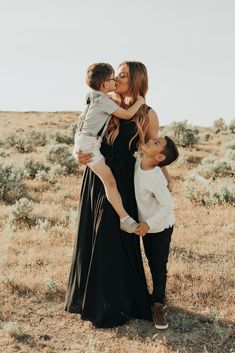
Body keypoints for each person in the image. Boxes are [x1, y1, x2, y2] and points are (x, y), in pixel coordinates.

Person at [65, 61, 172, 328]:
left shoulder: (147, 113)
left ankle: (121, 301)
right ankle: (93, 299)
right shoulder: (102, 101)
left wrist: (166, 180)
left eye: (122, 75)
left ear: (135, 80)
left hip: (124, 178)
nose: (117, 78)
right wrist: (76, 154)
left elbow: (155, 153)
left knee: (116, 238)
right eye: (116, 75)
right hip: (97, 174)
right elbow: (81, 132)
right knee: (98, 234)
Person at [73, 63, 146, 233]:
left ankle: (124, 218)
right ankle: (125, 219)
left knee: (109, 182)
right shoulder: (103, 101)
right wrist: (140, 101)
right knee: (110, 181)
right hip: (90, 145)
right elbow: (128, 115)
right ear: (105, 85)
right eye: (114, 78)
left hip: (85, 141)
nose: (116, 81)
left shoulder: (90, 96)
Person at [134, 136, 179, 329]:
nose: (152, 139)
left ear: (159, 157)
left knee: (158, 265)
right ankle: (155, 295)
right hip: (147, 225)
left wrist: (148, 224)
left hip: (161, 227)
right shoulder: (137, 161)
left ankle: (158, 306)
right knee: (149, 259)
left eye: (157, 143)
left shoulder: (155, 178)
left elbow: (168, 206)